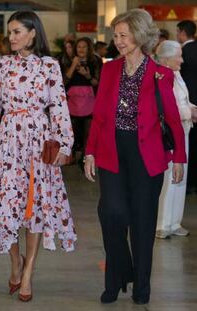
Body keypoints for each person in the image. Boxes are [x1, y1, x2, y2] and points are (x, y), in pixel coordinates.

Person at [84, 9, 186, 305]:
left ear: (139, 36)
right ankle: (119, 274)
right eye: (115, 36)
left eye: (123, 35)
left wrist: (179, 157)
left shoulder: (161, 74)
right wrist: (89, 151)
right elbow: (100, 115)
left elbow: (173, 119)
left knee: (142, 222)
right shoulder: (110, 70)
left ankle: (141, 286)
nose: (117, 41)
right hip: (112, 150)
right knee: (111, 214)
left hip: (148, 155)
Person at [0, 11, 76, 302]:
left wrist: (64, 144)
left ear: (33, 33)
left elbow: (59, 107)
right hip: (9, 143)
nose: (12, 37)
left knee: (34, 208)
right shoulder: (3, 65)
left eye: (18, 31)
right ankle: (15, 261)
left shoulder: (50, 66)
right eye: (10, 32)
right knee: (8, 206)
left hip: (38, 142)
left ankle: (28, 272)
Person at [155, 40, 197, 239]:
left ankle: (174, 222)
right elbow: (164, 107)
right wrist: (189, 111)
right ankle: (162, 223)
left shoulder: (177, 74)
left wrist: (191, 107)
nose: (182, 59)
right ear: (166, 58)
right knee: (168, 177)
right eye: (178, 55)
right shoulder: (161, 76)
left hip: (183, 130)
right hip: (168, 135)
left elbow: (183, 99)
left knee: (181, 177)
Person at [64, 37, 101, 168]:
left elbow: (97, 83)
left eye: (84, 46)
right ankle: (71, 155)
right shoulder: (68, 60)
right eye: (79, 46)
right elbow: (64, 82)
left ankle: (86, 157)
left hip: (89, 100)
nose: (81, 49)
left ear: (89, 48)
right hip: (73, 100)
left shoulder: (95, 61)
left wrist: (87, 75)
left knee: (87, 131)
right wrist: (74, 65)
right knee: (72, 130)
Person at [176, 20, 197, 193]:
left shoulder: (181, 52)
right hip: (192, 106)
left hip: (187, 104)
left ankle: (188, 182)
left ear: (182, 32)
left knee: (187, 143)